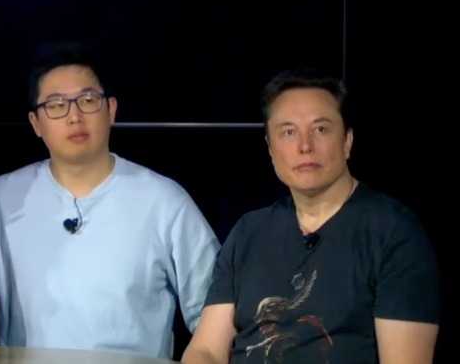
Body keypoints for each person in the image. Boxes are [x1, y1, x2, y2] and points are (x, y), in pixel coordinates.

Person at [0, 43, 219, 358]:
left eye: (87, 100)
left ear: (111, 109)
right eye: (56, 105)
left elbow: (215, 313)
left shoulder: (165, 201)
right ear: (36, 123)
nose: (74, 116)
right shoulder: (0, 200)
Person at [182, 70, 440, 364]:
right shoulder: (249, 231)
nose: (305, 146)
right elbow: (206, 349)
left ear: (347, 141)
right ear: (270, 148)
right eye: (288, 132)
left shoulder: (394, 233)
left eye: (320, 129)